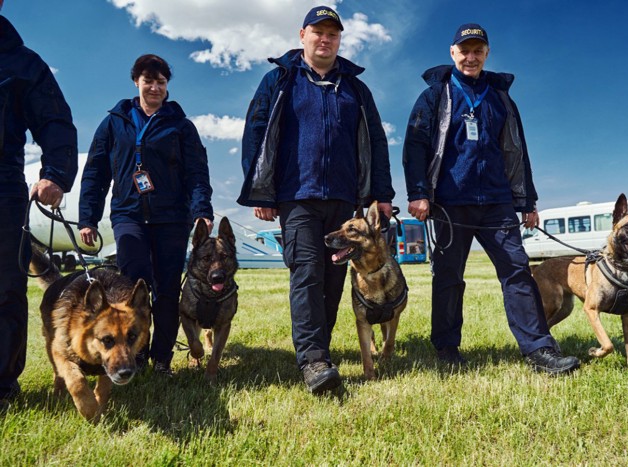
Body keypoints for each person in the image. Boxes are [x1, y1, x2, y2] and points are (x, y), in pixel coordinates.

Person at [402, 23, 580, 375]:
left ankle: (539, 350)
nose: (471, 57)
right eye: (464, 50)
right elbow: (415, 146)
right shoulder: (435, 95)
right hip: (451, 203)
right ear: (453, 53)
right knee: (449, 276)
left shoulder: (500, 97)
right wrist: (419, 193)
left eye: (478, 51)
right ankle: (447, 348)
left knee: (517, 272)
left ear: (486, 54)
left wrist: (526, 200)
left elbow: (517, 150)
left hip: (497, 202)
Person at [238, 6, 394, 394]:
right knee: (306, 273)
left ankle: (320, 350)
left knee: (334, 278)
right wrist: (263, 189)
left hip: (344, 200)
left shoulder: (356, 89)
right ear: (302, 35)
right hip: (297, 197)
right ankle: (313, 360)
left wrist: (382, 195)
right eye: (318, 32)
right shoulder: (279, 81)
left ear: (339, 40)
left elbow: (376, 141)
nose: (325, 39)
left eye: (333, 34)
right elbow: (256, 136)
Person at [79, 54, 214, 376]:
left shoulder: (181, 126)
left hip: (171, 218)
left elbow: (197, 172)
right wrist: (87, 217)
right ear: (136, 82)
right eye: (148, 81)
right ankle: (134, 354)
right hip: (129, 216)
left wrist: (201, 211)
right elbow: (95, 172)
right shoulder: (114, 122)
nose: (154, 87)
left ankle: (162, 358)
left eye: (161, 82)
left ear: (167, 86)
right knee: (132, 291)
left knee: (167, 291)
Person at [0, 4, 78, 407]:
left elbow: (56, 123)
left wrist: (56, 175)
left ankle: (1, 388)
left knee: (4, 290)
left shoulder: (23, 62)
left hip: (3, 189)